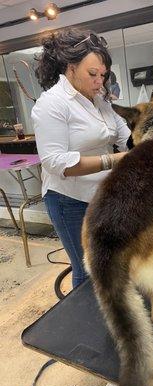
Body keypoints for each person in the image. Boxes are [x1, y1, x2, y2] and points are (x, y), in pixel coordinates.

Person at [32, 28, 130, 288]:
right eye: (92, 74)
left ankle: (113, 317)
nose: (100, 81)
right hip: (69, 200)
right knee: (87, 270)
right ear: (70, 67)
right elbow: (55, 162)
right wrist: (114, 160)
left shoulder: (101, 102)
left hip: (104, 195)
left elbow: (125, 135)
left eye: (103, 75)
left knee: (109, 262)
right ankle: (84, 326)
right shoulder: (51, 104)